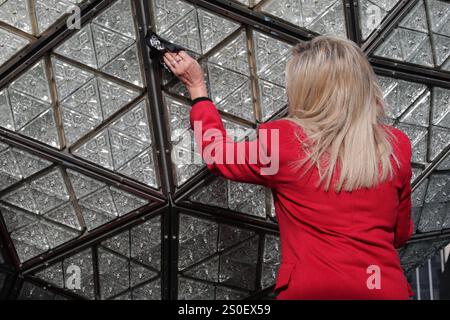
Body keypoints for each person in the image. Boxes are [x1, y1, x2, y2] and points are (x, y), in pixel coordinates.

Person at [163, 35, 414, 300]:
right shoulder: (395, 146)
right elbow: (401, 233)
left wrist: (198, 89)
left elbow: (217, 155)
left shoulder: (285, 141)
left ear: (306, 89)